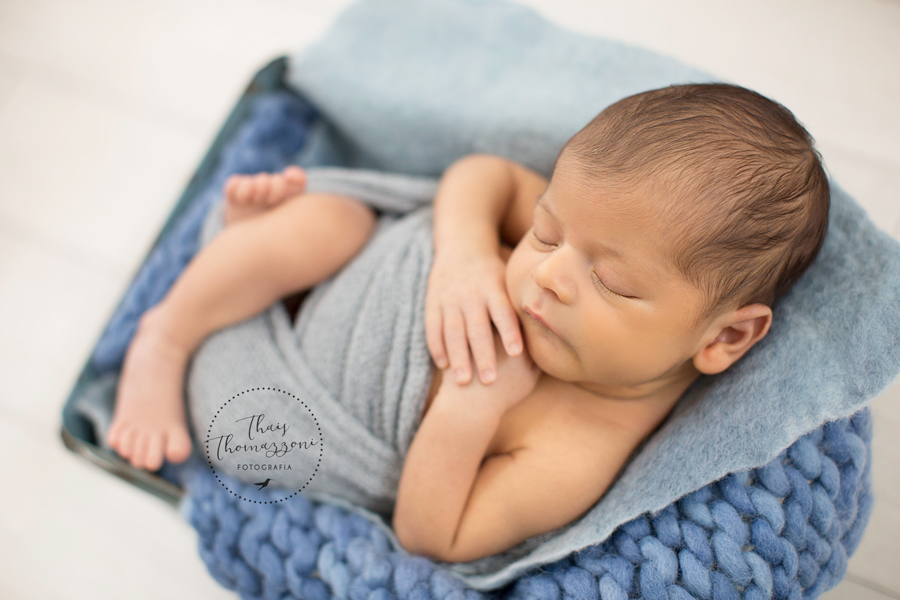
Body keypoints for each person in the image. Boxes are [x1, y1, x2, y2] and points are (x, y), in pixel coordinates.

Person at [106, 83, 829, 563]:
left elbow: (433, 536)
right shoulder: (588, 228)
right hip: (363, 262)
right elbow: (479, 175)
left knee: (263, 445)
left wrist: (468, 406)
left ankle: (237, 275)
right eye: (545, 233)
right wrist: (463, 254)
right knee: (335, 219)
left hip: (303, 397)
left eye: (609, 282)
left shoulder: (580, 446)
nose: (545, 273)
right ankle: (169, 330)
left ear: (724, 336)